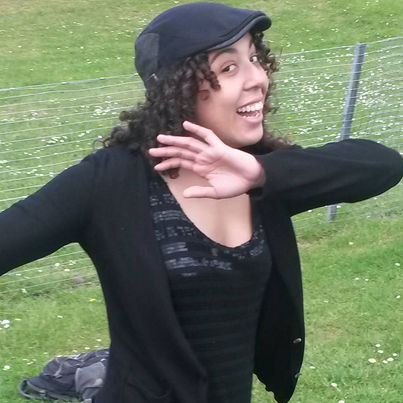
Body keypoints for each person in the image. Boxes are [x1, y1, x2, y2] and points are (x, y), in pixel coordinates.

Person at [1, 2, 402, 403]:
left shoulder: (260, 172)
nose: (257, 78)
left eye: (254, 58)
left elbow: (383, 164)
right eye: (228, 68)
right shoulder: (109, 182)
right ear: (176, 89)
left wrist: (261, 173)